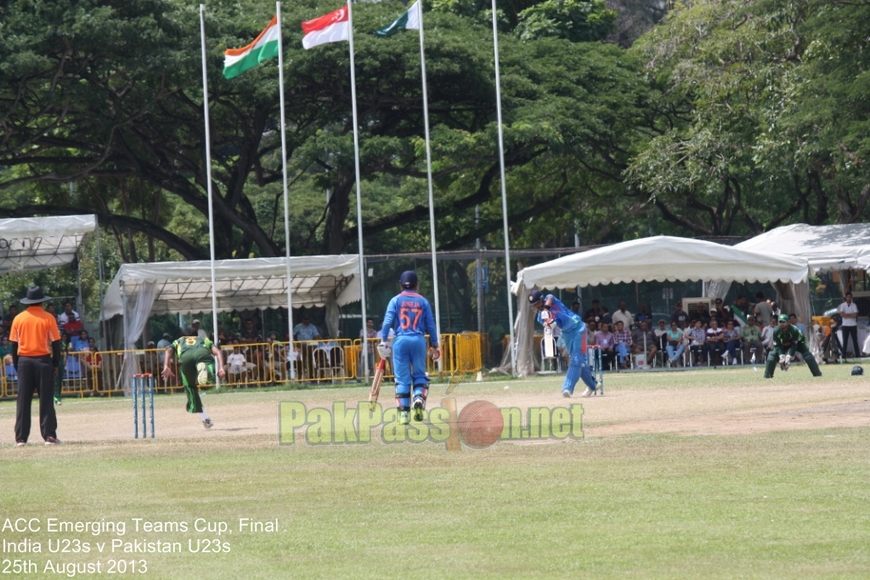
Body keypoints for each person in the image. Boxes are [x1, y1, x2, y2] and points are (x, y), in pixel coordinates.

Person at [379, 271, 441, 425]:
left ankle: (403, 414)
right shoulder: (423, 301)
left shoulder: (395, 300)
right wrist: (435, 344)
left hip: (400, 341)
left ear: (401, 285)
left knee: (402, 378)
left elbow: (387, 322)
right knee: (420, 374)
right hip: (419, 340)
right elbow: (430, 325)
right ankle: (419, 398)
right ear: (416, 285)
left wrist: (384, 340)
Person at [10, 286, 63, 446]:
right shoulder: (48, 318)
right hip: (43, 361)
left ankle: (21, 438)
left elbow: (13, 344)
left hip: (24, 361)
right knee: (46, 399)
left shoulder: (18, 318)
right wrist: (55, 363)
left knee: (23, 400)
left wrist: (17, 364)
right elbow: (56, 343)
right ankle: (49, 436)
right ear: (41, 301)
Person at [528, 289, 598, 398]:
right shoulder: (539, 317)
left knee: (576, 359)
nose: (536, 306)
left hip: (578, 328)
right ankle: (593, 384)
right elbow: (548, 325)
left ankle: (567, 388)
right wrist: (548, 323)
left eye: (537, 303)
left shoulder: (550, 300)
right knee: (579, 361)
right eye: (534, 305)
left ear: (542, 299)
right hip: (567, 334)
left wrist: (546, 309)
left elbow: (550, 298)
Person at [161, 327, 226, 429]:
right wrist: (221, 367)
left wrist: (166, 365)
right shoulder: (203, 339)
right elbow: (217, 352)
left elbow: (168, 350)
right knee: (207, 364)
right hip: (201, 354)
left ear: (183, 336)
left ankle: (205, 418)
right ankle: (207, 372)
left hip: (185, 358)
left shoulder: (179, 340)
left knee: (191, 388)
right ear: (196, 335)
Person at [764, 314, 822, 378]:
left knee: (807, 355)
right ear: (778, 323)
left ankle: (817, 375)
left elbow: (794, 345)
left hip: (799, 342)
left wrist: (789, 356)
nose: (782, 324)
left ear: (788, 322)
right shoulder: (776, 331)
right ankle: (767, 376)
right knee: (772, 355)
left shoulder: (794, 330)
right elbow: (778, 345)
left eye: (783, 322)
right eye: (780, 322)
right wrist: (781, 356)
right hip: (784, 343)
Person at [837, 292, 859, 360]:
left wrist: (847, 315)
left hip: (853, 325)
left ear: (851, 298)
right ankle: (844, 355)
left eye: (850, 297)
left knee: (855, 340)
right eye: (848, 297)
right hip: (845, 325)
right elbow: (841, 314)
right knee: (845, 340)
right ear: (846, 298)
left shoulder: (854, 305)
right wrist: (850, 315)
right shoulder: (843, 305)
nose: (849, 298)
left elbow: (855, 315)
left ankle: (857, 354)